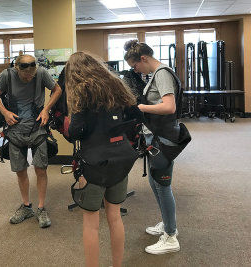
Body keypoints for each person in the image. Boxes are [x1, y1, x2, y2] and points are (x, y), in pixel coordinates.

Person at [66, 51, 139, 267]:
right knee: (115, 217)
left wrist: (72, 122)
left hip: (94, 162)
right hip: (121, 158)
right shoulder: (117, 86)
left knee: (91, 223)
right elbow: (136, 117)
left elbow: (76, 132)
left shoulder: (80, 91)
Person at [0, 54, 62, 228]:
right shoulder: (7, 75)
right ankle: (26, 206)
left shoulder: (42, 73)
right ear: (17, 69)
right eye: (25, 75)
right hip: (15, 130)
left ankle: (41, 208)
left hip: (38, 128)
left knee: (41, 169)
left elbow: (58, 89)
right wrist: (5, 113)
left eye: (32, 74)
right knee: (20, 170)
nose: (29, 77)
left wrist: (46, 109)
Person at [124, 39, 181, 254]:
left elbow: (169, 106)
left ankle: (171, 236)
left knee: (162, 185)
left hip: (163, 137)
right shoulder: (157, 74)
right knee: (155, 182)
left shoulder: (162, 73)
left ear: (144, 59)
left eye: (135, 66)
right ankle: (167, 224)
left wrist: (140, 107)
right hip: (156, 136)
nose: (135, 70)